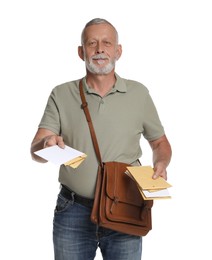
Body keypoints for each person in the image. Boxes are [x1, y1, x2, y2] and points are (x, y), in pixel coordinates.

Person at [30, 18, 172, 260]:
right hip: (73, 210)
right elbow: (36, 150)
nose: (99, 49)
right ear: (80, 51)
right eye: (91, 43)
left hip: (125, 207)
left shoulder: (139, 93)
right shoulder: (61, 93)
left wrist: (161, 163)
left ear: (118, 51)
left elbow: (159, 143)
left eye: (107, 43)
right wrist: (47, 144)